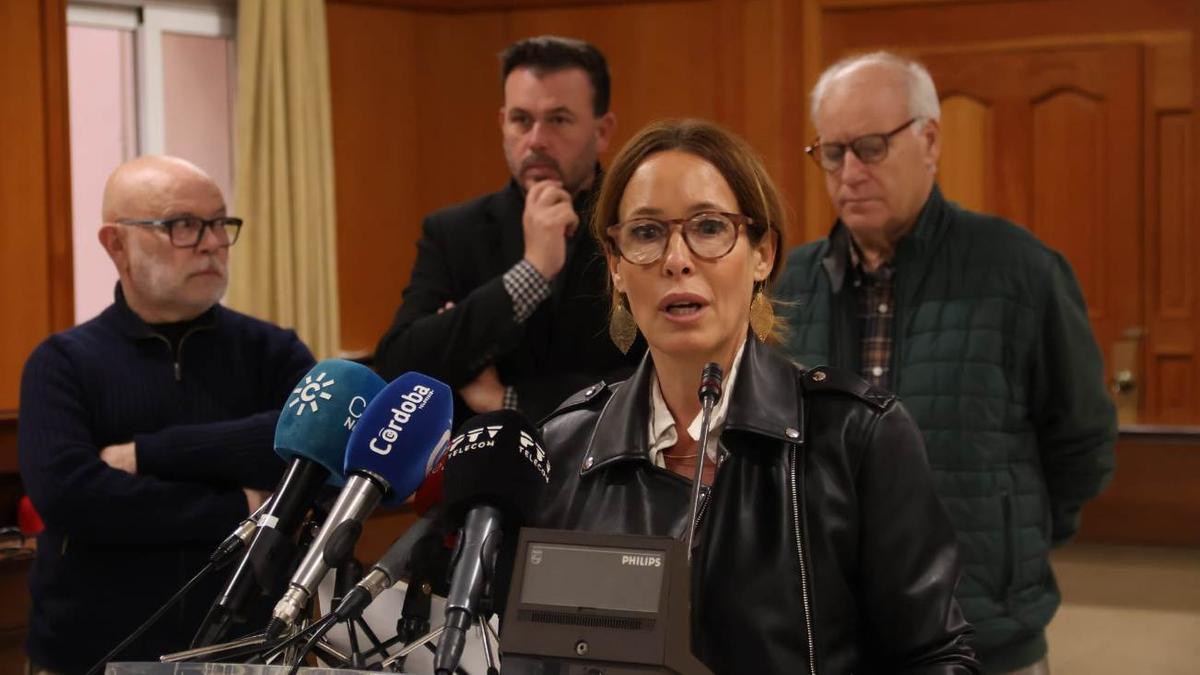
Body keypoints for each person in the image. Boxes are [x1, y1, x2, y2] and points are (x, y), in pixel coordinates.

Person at [535, 119, 979, 674]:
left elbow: (935, 657)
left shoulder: (855, 436)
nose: (677, 259)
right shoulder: (565, 445)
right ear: (616, 266)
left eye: (709, 227)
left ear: (763, 254)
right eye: (646, 234)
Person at [775, 52, 1118, 674]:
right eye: (832, 152)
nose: (849, 172)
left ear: (929, 140)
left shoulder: (1020, 271)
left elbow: (1083, 444)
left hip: (984, 636)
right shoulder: (787, 283)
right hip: (833, 638)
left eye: (871, 147)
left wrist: (1014, 547)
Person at [18, 156, 315, 672]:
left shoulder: (274, 352)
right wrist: (240, 507)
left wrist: (150, 454)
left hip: (247, 653)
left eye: (220, 223)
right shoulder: (61, 363)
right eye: (182, 225)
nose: (211, 242)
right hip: (92, 653)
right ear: (116, 244)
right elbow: (75, 497)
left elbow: (313, 454)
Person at [374, 35, 643, 427]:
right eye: (522, 120)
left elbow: (651, 377)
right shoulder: (453, 231)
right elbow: (398, 365)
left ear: (602, 131)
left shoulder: (638, 228)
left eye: (558, 120)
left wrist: (508, 398)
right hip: (474, 467)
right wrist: (530, 274)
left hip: (605, 468)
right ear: (503, 124)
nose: (535, 140)